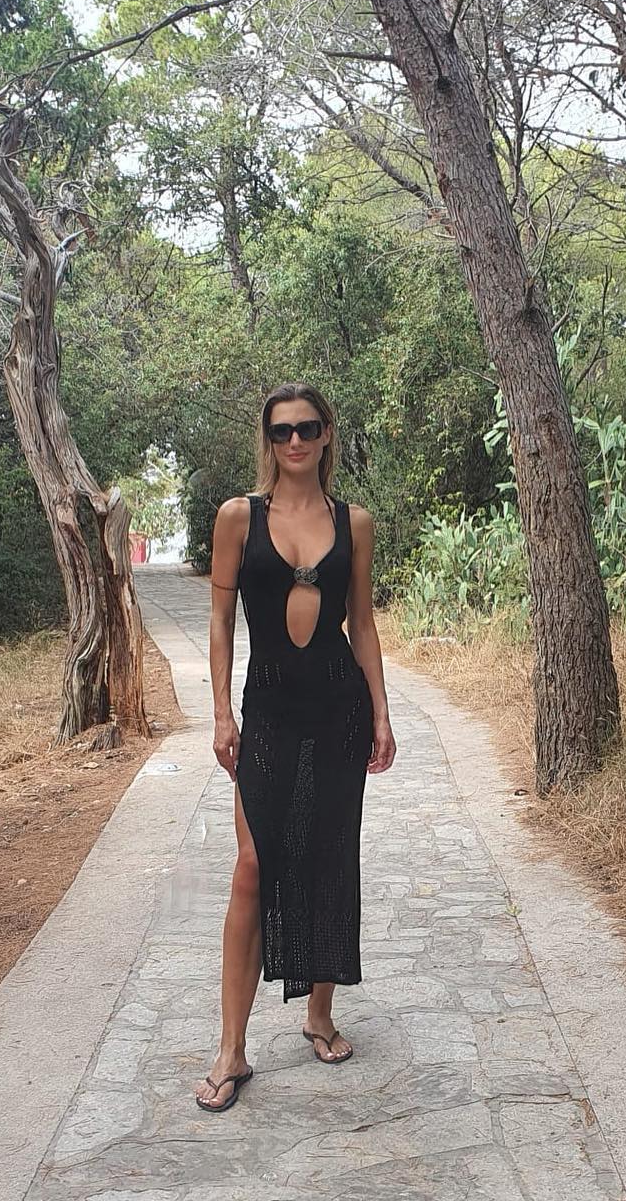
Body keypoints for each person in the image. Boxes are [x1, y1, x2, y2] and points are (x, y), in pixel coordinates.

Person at [193, 382, 396, 1114]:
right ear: (269, 440)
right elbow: (220, 623)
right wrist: (221, 713)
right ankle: (231, 1049)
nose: (296, 442)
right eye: (282, 432)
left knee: (328, 858)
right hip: (270, 711)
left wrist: (381, 713)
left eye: (308, 428)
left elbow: (362, 624)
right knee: (253, 867)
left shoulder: (354, 522)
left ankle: (319, 1013)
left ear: (327, 433)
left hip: (339, 708)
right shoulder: (238, 518)